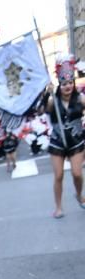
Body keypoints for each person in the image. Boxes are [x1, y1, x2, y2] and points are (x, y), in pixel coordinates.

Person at [43, 55, 85, 218]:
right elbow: (42, 110)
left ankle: (79, 195)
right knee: (59, 175)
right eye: (64, 83)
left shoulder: (80, 99)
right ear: (59, 85)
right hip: (58, 143)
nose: (67, 86)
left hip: (76, 141)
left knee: (76, 173)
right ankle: (59, 207)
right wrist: (46, 94)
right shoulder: (53, 101)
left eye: (70, 82)